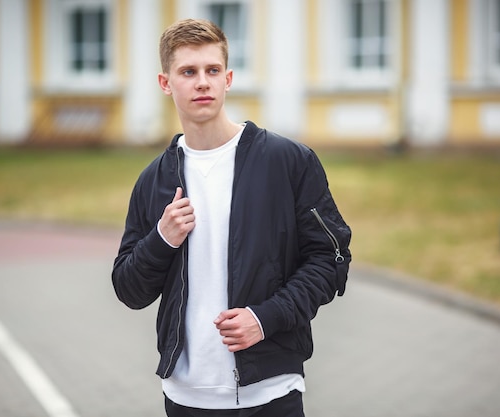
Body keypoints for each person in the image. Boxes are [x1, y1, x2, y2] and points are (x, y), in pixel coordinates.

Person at [112, 18, 351, 417]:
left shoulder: (287, 161)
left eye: (212, 70)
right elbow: (129, 289)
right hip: (186, 397)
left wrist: (266, 317)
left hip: (270, 393)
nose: (202, 82)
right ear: (165, 83)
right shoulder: (154, 180)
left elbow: (331, 259)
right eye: (188, 72)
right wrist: (162, 238)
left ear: (228, 79)